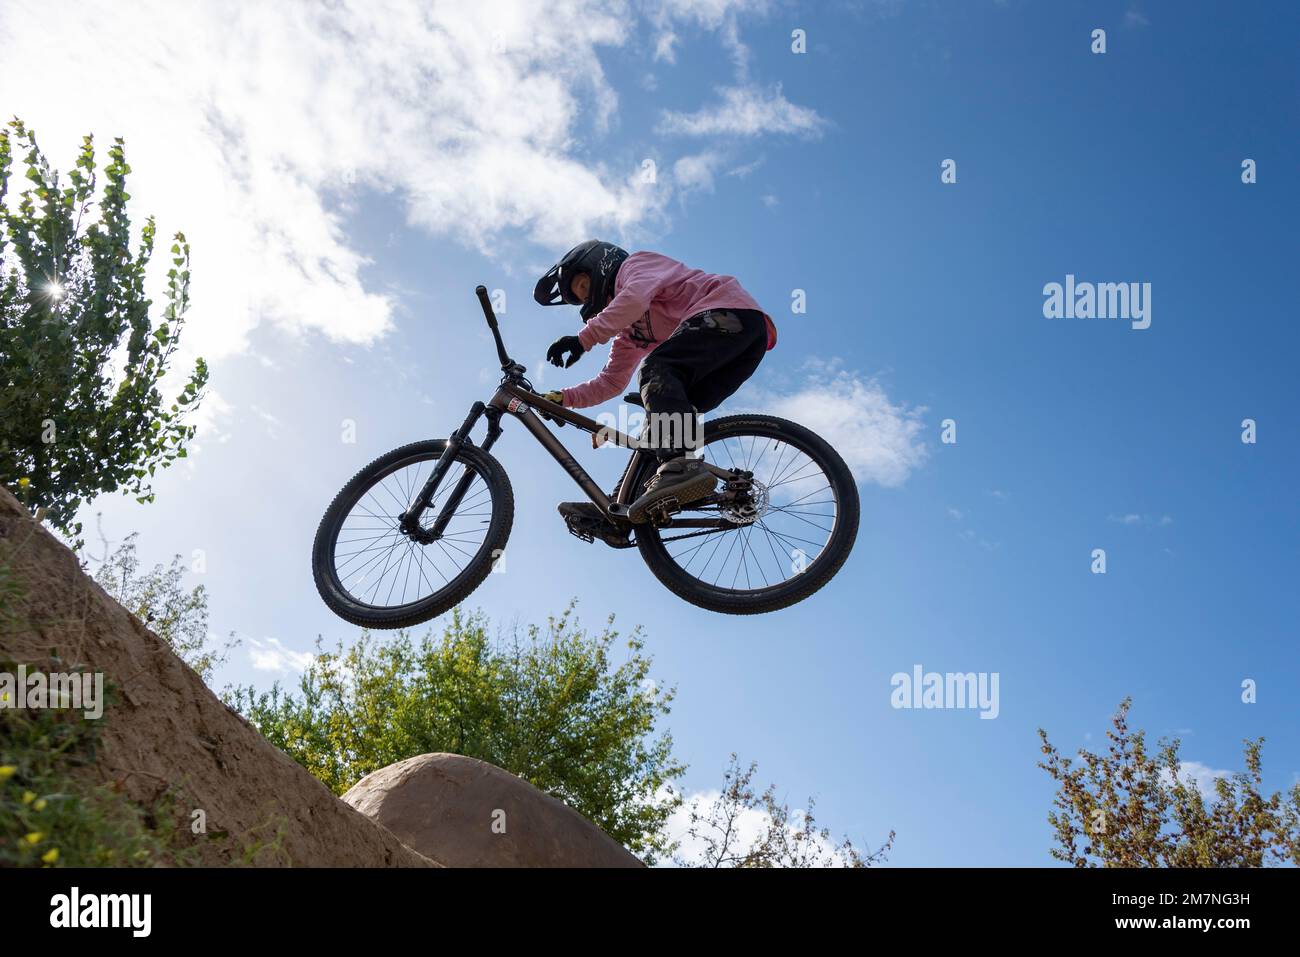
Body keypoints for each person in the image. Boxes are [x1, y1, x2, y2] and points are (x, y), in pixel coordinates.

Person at [533, 239, 776, 525]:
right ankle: (621, 510)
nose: (588, 299)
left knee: (656, 368)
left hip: (730, 314)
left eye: (584, 287)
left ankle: (682, 467)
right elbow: (610, 382)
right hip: (735, 348)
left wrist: (583, 339)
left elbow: (633, 299)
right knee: (656, 429)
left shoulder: (635, 266)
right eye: (583, 300)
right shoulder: (630, 335)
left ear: (599, 264)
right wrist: (564, 398)